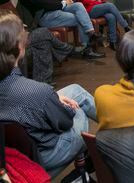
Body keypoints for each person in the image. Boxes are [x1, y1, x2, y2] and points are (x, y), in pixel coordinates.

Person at [0, 12, 97, 177]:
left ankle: (117, 126)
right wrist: (67, 107)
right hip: (44, 154)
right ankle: (116, 135)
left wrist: (55, 98)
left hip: (14, 148)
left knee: (74, 89)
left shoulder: (32, 90)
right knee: (78, 109)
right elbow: (65, 122)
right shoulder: (38, 91)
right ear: (19, 47)